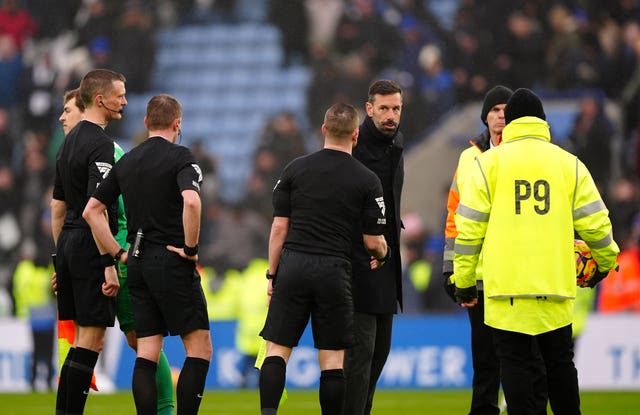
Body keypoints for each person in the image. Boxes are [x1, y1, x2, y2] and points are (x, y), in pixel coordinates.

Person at [453, 88, 620, 415]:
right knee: (559, 366)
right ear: (542, 121)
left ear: (510, 121)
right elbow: (597, 225)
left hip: (506, 291)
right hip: (554, 287)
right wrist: (604, 263)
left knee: (514, 365)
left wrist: (464, 280)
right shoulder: (568, 164)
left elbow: (468, 230)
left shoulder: (487, 165)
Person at [83, 94, 212, 415]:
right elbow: (192, 202)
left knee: (147, 350)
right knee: (199, 349)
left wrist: (118, 253)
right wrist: (191, 249)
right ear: (177, 124)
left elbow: (92, 210)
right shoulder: (182, 157)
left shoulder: (127, 160)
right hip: (171, 259)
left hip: (137, 262)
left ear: (146, 123)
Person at [258, 102, 389, 415]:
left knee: (277, 350)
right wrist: (382, 253)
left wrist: (272, 274)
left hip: (294, 264)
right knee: (332, 360)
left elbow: (279, 229)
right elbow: (373, 242)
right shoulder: (367, 179)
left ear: (323, 130)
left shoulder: (295, 169)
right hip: (334, 270)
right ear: (356, 134)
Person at [56, 88, 176, 413]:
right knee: (104, 338)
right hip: (96, 251)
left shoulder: (108, 151)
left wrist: (119, 255)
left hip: (118, 250)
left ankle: (164, 409)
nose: (63, 117)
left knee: (140, 337)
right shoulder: (77, 151)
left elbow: (120, 209)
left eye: (68, 109)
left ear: (85, 108)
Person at [51, 69, 126, 414]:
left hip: (67, 243)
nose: (124, 101)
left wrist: (59, 260)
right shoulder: (99, 144)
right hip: (88, 245)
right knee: (92, 340)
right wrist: (110, 261)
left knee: (80, 340)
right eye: (119, 95)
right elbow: (95, 210)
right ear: (100, 100)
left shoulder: (68, 143)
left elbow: (58, 206)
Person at [344, 79, 404, 415]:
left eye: (396, 108)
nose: (390, 115)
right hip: (359, 260)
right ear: (369, 109)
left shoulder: (398, 143)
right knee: (361, 353)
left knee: (380, 352)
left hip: (387, 260)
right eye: (383, 108)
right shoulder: (354, 144)